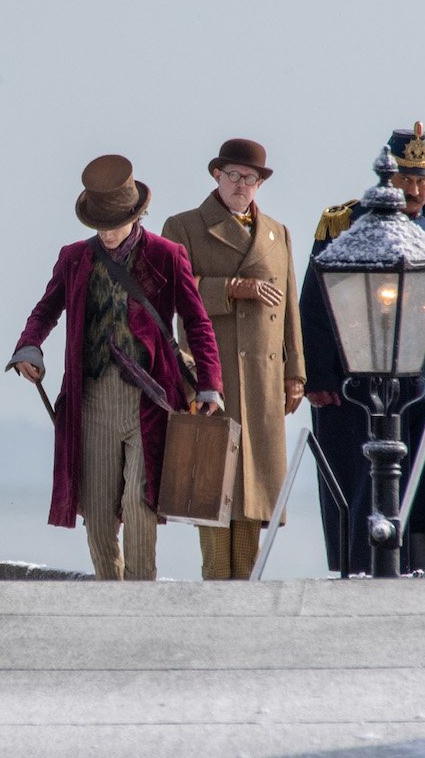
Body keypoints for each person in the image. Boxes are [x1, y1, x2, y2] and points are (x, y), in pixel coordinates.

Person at [7, 154, 223, 581]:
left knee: (139, 504)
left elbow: (196, 321)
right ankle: (110, 595)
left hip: (151, 399)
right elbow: (45, 311)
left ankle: (141, 600)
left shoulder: (167, 255)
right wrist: (29, 348)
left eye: (114, 223)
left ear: (136, 214)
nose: (106, 233)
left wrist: (210, 385)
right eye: (99, 225)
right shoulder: (74, 258)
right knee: (100, 511)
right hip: (91, 400)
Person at [299, 121, 425, 574]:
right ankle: (375, 563)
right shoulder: (345, 224)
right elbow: (313, 307)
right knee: (371, 482)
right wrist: (320, 378)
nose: (413, 188)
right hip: (368, 377)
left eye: (421, 178)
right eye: (406, 178)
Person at [161, 138, 305, 580]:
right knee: (212, 487)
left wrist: (295, 373)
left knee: (254, 496)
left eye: (251, 178)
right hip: (210, 381)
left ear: (260, 183)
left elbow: (291, 311)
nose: (242, 184)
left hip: (264, 383)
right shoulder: (183, 226)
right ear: (216, 176)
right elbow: (165, 296)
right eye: (234, 176)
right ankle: (216, 592)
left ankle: (244, 592)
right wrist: (229, 288)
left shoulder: (277, 233)